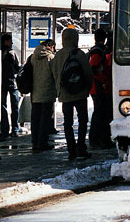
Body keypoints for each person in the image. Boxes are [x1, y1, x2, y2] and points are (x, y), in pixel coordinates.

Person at [52, 27, 93, 160]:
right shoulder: (79, 54)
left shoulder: (58, 55)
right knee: (82, 120)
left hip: (65, 94)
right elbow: (88, 73)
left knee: (67, 122)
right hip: (80, 93)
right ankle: (81, 147)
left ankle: (71, 150)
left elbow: (55, 74)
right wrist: (87, 88)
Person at [0, 32, 21, 140]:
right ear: (6, 41)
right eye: (10, 41)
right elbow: (18, 69)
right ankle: (15, 129)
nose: (12, 43)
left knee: (2, 107)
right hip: (12, 83)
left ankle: (4, 129)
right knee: (15, 106)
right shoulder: (13, 53)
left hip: (0, 84)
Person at [87, 28, 113, 150]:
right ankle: (97, 139)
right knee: (99, 113)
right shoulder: (98, 51)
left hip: (97, 87)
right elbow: (94, 67)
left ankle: (98, 139)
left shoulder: (97, 50)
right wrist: (103, 81)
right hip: (99, 87)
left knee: (100, 113)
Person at [29, 39, 56, 152]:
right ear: (50, 46)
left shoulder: (32, 57)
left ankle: (35, 142)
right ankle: (43, 143)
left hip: (35, 93)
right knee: (45, 119)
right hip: (47, 92)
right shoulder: (50, 58)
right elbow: (55, 74)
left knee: (35, 119)